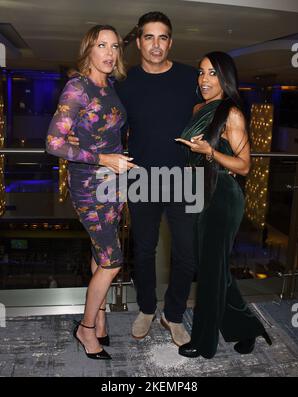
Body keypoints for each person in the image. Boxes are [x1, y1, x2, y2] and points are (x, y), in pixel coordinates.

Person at [68, 12, 199, 347]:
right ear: (139, 42)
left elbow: (214, 109)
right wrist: (76, 139)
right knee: (143, 250)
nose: (156, 45)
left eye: (163, 37)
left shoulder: (190, 77)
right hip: (138, 176)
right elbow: (97, 115)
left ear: (171, 42)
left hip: (184, 176)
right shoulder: (123, 83)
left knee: (187, 252)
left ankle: (172, 314)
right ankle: (145, 308)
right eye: (149, 37)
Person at [46, 24, 136, 360]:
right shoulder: (77, 88)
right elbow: (53, 143)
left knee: (100, 251)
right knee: (112, 260)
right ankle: (85, 328)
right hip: (88, 186)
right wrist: (101, 157)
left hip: (114, 184)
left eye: (115, 47)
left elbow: (102, 129)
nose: (110, 53)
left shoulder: (108, 84)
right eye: (102, 45)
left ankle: (99, 319)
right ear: (89, 50)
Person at [176, 51, 272, 359]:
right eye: (201, 72)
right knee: (214, 269)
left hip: (222, 197)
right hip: (197, 194)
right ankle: (246, 327)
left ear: (225, 78)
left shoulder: (232, 114)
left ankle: (203, 343)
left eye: (212, 73)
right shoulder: (197, 108)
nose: (204, 79)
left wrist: (210, 153)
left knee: (210, 273)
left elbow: (244, 166)